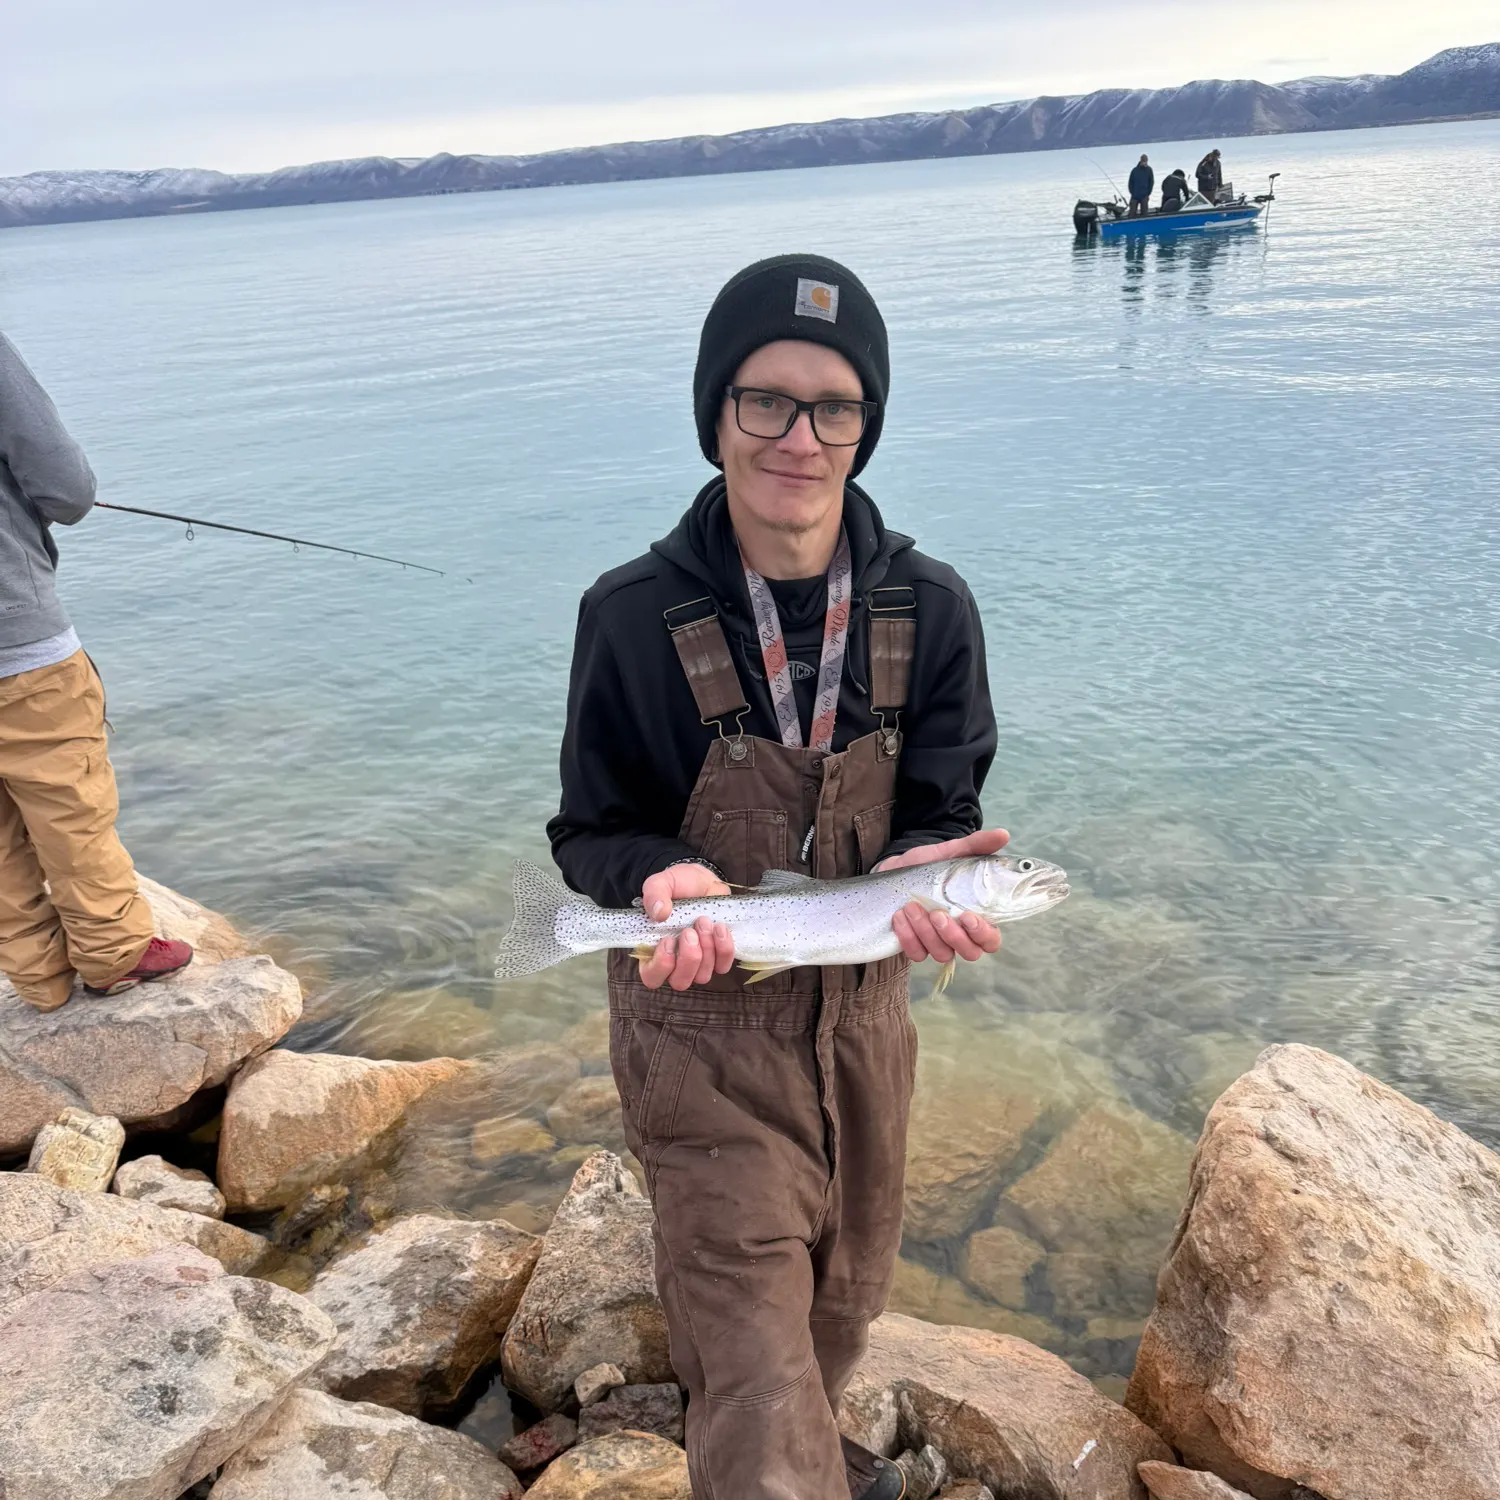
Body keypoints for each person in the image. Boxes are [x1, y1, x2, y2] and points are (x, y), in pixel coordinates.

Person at [548, 254, 1001, 1500]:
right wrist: (661, 878)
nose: (799, 438)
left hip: (865, 1027)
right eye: (766, 401)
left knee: (841, 1308)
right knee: (749, 1360)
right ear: (717, 414)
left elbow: (943, 809)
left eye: (834, 407)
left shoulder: (932, 609)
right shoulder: (631, 615)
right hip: (697, 1028)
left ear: (866, 427)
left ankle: (804, 1445)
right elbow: (591, 832)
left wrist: (939, 872)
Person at [0, 333, 192, 1011]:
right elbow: (67, 491)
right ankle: (114, 955)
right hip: (16, 643)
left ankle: (38, 980)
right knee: (69, 805)